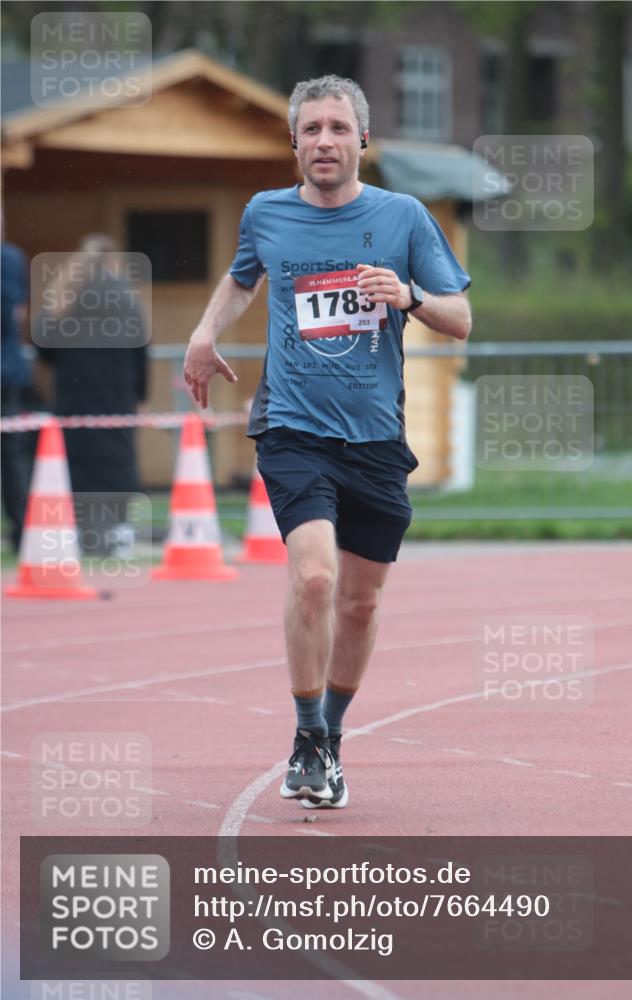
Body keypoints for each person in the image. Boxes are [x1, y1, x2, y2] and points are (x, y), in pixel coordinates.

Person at [184, 75, 471, 809]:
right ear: (293, 142)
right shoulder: (265, 213)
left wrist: (406, 297)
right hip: (292, 427)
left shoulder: (403, 216)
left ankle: (330, 738)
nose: (323, 142)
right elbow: (242, 277)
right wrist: (203, 332)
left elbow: (460, 317)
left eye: (337, 129)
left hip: (375, 437)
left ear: (362, 140)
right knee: (314, 577)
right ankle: (307, 736)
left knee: (360, 603)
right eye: (310, 129)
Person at [37, 234, 149, 556]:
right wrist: (140, 394)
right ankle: (119, 535)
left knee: (77, 466)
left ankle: (82, 535)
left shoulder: (66, 296)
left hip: (75, 396)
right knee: (118, 464)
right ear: (114, 262)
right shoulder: (127, 299)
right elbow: (141, 351)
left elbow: (45, 347)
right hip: (117, 396)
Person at [1, 234, 32, 552]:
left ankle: (22, 527)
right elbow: (17, 313)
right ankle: (21, 527)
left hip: (7, 370)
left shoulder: (9, 258)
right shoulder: (10, 258)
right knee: (11, 455)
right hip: (8, 368)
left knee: (11, 455)